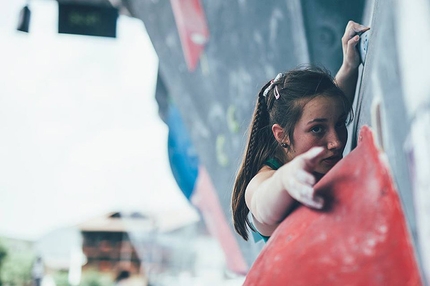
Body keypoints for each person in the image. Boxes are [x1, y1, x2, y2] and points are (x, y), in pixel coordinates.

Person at [231, 21, 370, 242]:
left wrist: (349, 65)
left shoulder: (309, 138)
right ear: (281, 135)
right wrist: (286, 179)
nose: (335, 142)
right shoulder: (265, 180)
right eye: (317, 130)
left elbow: (330, 108)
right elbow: (261, 202)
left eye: (341, 123)